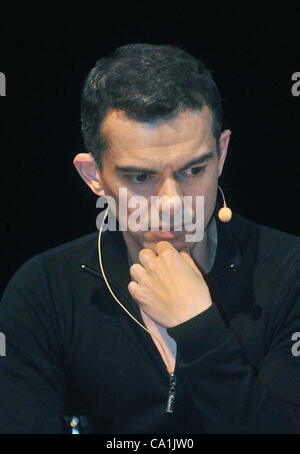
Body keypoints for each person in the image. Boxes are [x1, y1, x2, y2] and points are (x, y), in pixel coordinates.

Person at [0, 43, 300, 434]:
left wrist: (199, 328)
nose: (173, 204)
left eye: (194, 170)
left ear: (221, 153)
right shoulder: (43, 292)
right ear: (94, 176)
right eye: (140, 177)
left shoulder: (289, 272)